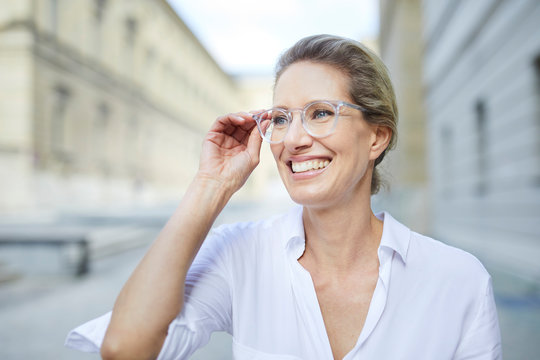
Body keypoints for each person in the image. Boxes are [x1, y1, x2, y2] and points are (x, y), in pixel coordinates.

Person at [65, 35, 502, 359]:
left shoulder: (458, 280)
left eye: (321, 113)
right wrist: (211, 186)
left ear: (377, 136)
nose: (293, 139)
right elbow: (125, 348)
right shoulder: (241, 255)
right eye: (280, 118)